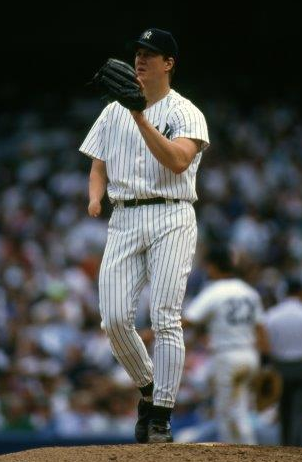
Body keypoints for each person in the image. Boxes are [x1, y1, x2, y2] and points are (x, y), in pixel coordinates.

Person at [79, 28, 210, 443]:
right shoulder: (111, 111)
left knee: (166, 317)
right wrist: (95, 198)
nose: (140, 59)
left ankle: (162, 416)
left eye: (150, 54)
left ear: (168, 63)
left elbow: (176, 162)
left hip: (172, 215)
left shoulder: (186, 112)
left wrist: (138, 115)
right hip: (124, 217)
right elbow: (98, 163)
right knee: (114, 319)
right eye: (138, 52)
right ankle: (150, 389)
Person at [183, 245, 267, 444]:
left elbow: (189, 320)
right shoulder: (249, 292)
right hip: (249, 355)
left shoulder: (215, 291)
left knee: (228, 412)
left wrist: (154, 332)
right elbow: (261, 330)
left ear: (212, 267)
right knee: (238, 407)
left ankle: (245, 454)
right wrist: (265, 362)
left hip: (228, 356)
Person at [264, 277, 302, 446]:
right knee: (299, 410)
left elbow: (265, 343)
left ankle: (285, 445)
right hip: (300, 366)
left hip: (280, 367)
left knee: (284, 408)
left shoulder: (272, 314)